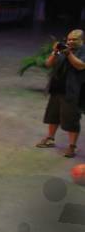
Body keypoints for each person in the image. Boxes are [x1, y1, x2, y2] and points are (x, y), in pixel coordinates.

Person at [36, 29, 85, 157]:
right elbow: (48, 64)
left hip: (72, 91)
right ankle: (50, 139)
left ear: (82, 40)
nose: (71, 41)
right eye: (69, 39)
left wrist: (68, 54)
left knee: (71, 119)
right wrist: (55, 52)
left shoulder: (82, 51)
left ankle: (72, 146)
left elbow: (80, 65)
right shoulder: (63, 50)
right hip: (56, 88)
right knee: (53, 116)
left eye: (74, 39)